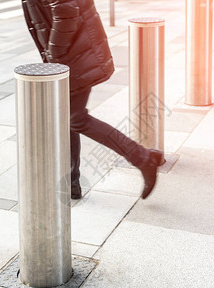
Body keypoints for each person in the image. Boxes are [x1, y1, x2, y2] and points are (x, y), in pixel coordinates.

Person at [22, 0, 163, 199]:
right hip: (72, 53)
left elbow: (66, 12)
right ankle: (71, 183)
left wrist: (54, 58)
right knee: (67, 117)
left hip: (73, 56)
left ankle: (142, 157)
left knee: (74, 118)